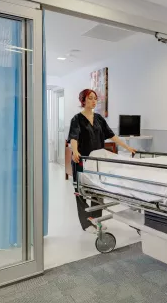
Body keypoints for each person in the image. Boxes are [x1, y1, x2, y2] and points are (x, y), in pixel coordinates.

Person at [68, 88, 137, 233]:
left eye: (95, 98)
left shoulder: (99, 118)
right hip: (82, 161)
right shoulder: (77, 119)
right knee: (81, 192)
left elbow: (112, 136)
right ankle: (86, 224)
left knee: (97, 191)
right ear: (83, 100)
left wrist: (127, 147)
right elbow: (73, 138)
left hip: (97, 162)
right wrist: (75, 151)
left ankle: (96, 221)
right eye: (90, 98)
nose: (93, 101)